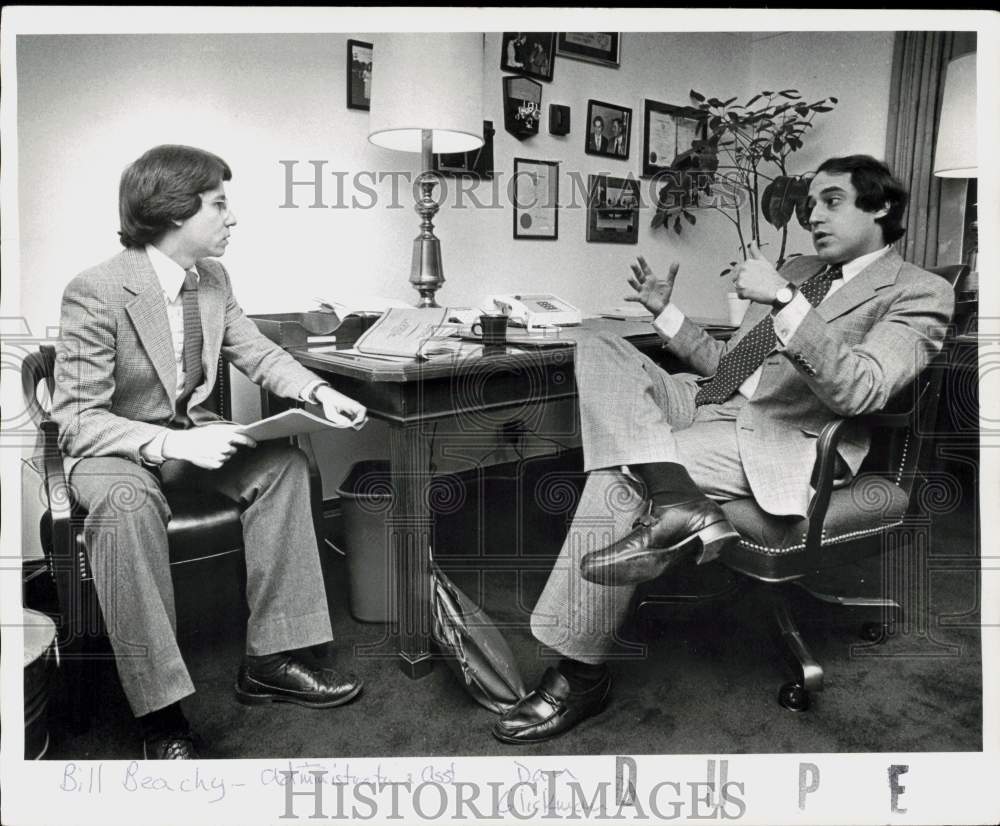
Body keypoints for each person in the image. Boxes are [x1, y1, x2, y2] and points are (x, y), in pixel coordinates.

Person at [492, 155, 954, 744]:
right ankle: (679, 498)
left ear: (882, 206)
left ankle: (580, 673)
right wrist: (668, 314)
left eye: (832, 201)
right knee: (600, 347)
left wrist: (789, 301)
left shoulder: (918, 291)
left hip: (791, 435)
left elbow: (861, 389)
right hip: (714, 404)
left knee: (621, 473)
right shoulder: (801, 267)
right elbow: (731, 367)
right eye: (810, 203)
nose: (813, 216)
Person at [51, 145, 370, 759]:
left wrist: (319, 391)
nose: (232, 218)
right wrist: (172, 441)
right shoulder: (95, 291)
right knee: (123, 505)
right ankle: (162, 715)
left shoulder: (214, 280)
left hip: (188, 436)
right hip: (116, 449)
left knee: (284, 467)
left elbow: (257, 352)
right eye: (219, 204)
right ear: (173, 211)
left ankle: (272, 660)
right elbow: (78, 420)